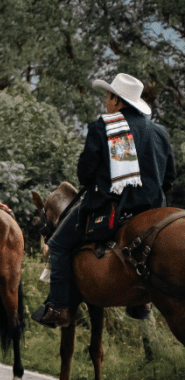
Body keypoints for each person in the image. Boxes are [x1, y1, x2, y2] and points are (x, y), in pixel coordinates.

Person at [33, 73, 177, 328]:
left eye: (108, 96)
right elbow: (169, 179)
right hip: (154, 209)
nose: (105, 101)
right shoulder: (160, 132)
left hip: (111, 208)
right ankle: (142, 302)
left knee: (57, 245)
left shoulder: (103, 127)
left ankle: (57, 307)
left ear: (117, 100)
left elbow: (85, 174)